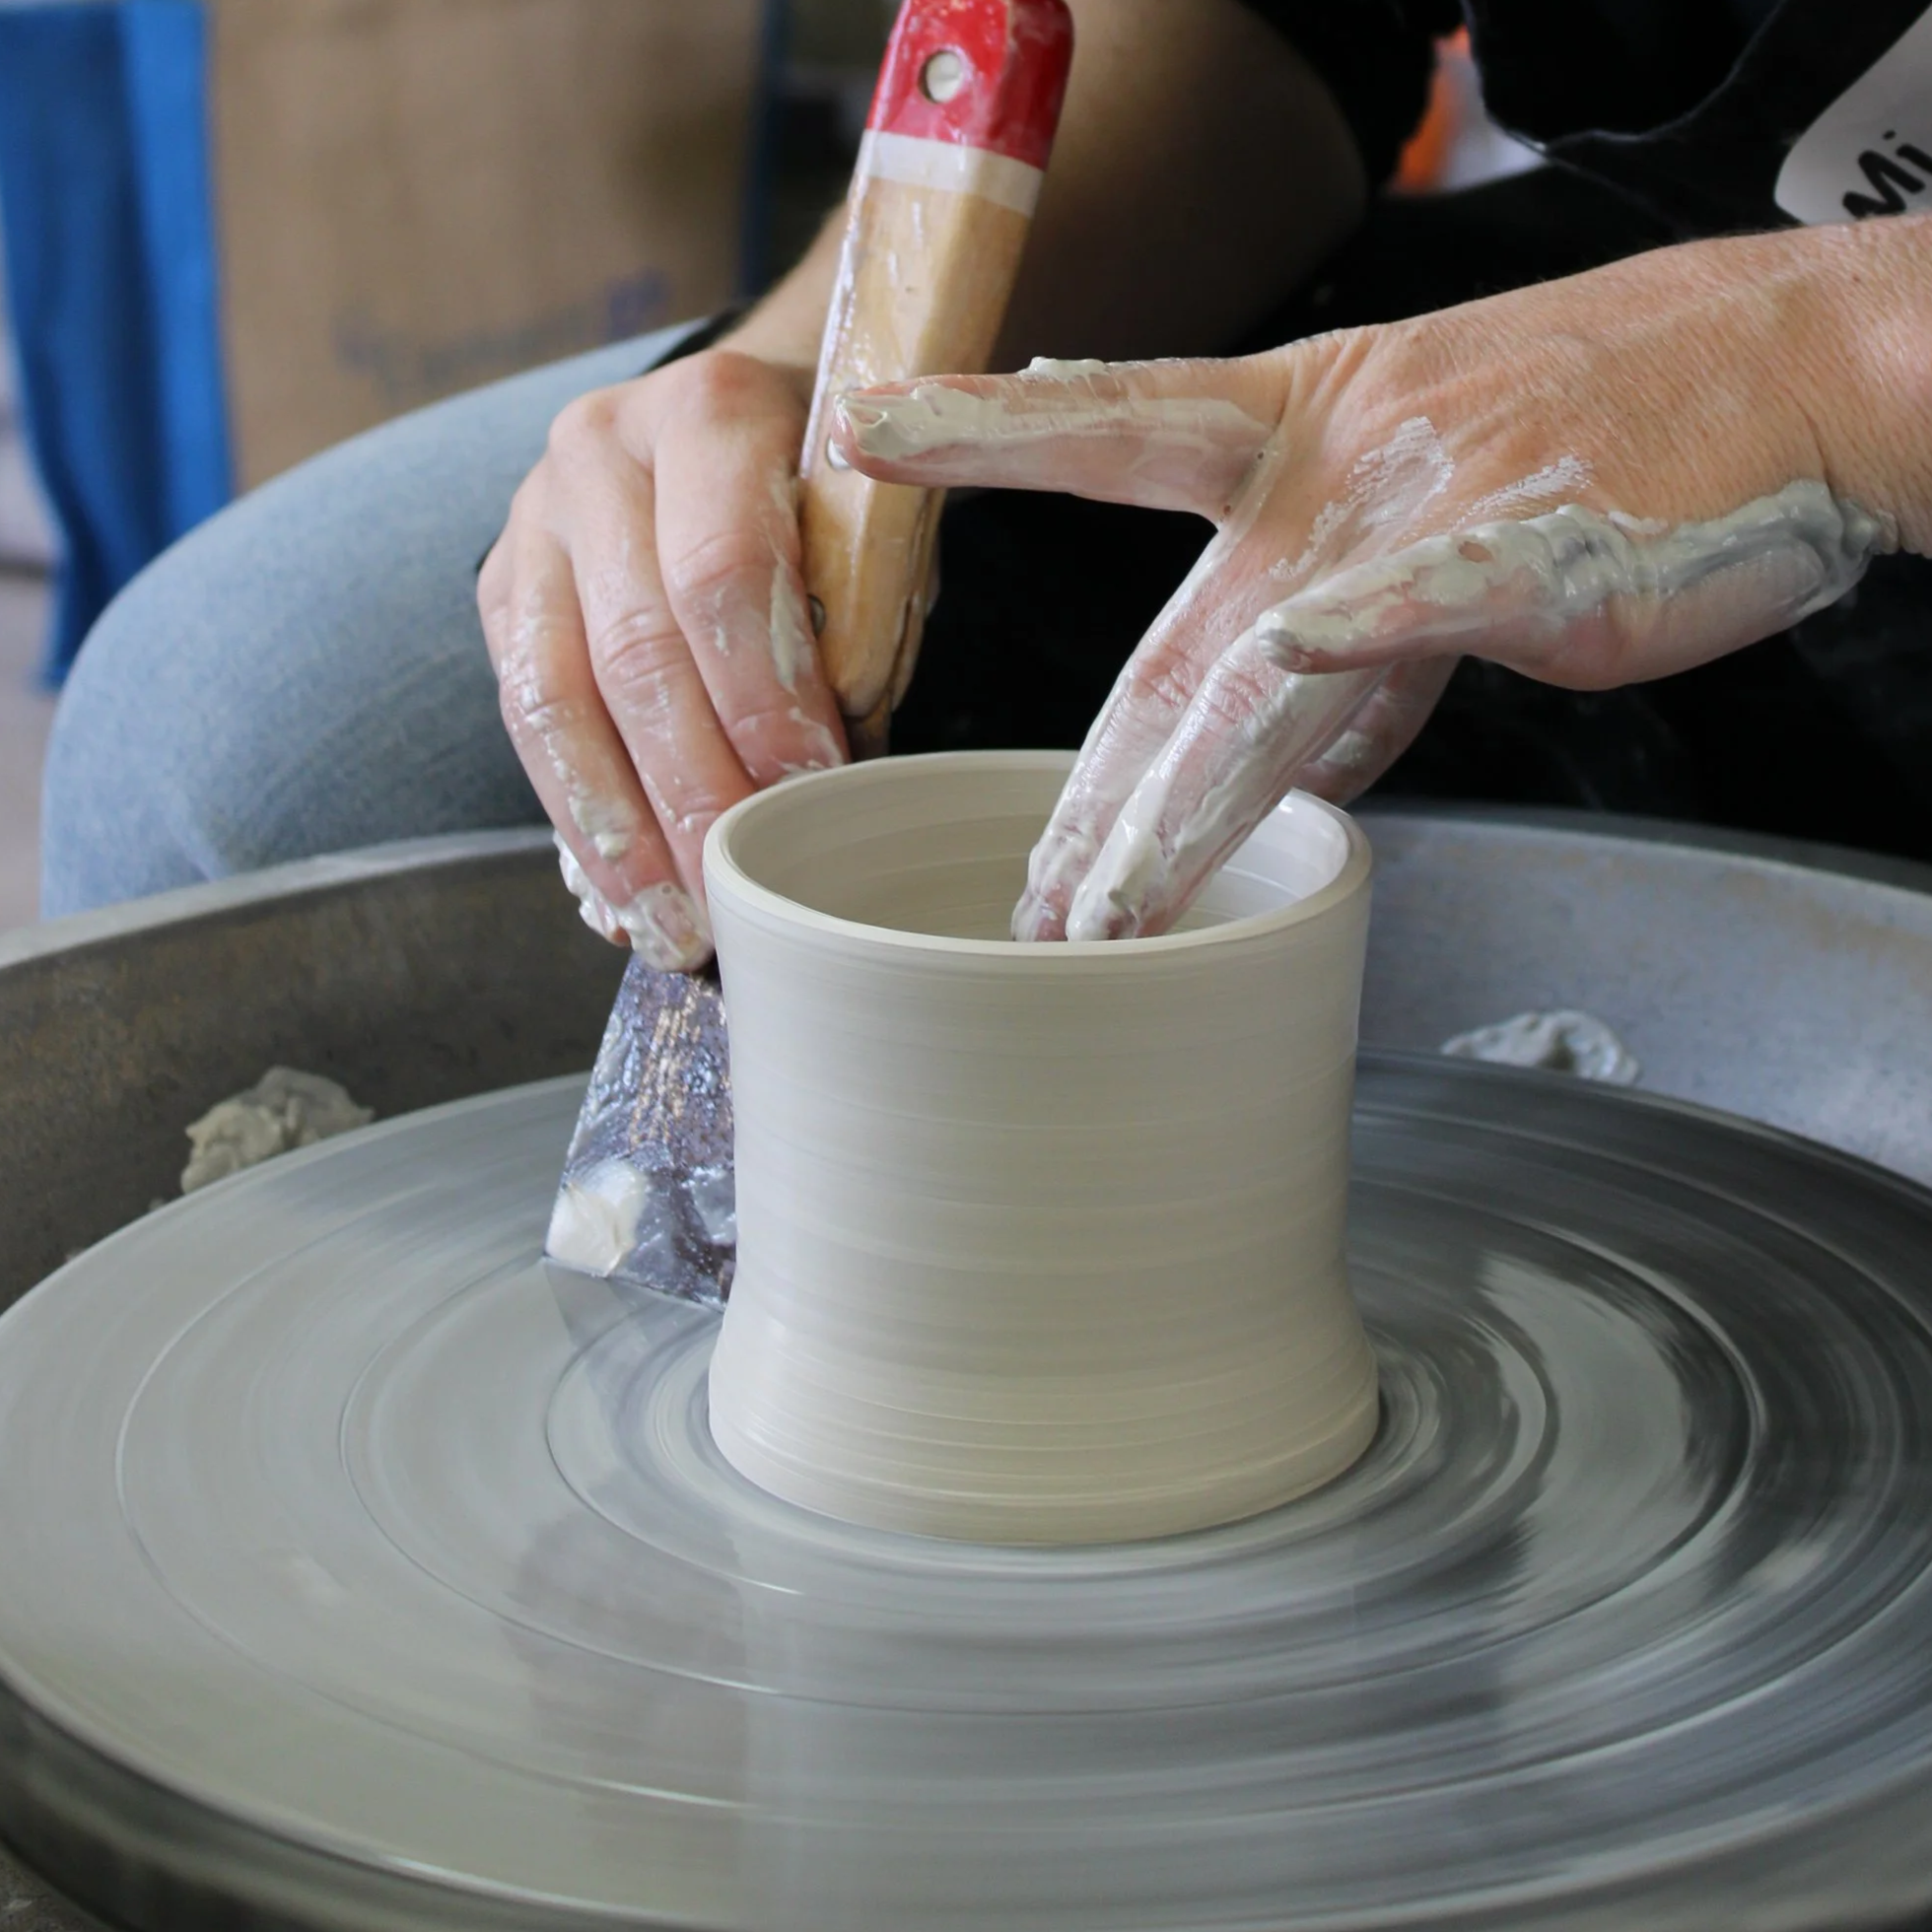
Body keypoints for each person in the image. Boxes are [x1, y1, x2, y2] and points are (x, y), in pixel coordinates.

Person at [42, 0, 1932, 948]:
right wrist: (824, 371)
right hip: (1684, 263)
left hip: (1840, 355)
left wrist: (1831, 359)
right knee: (255, 744)